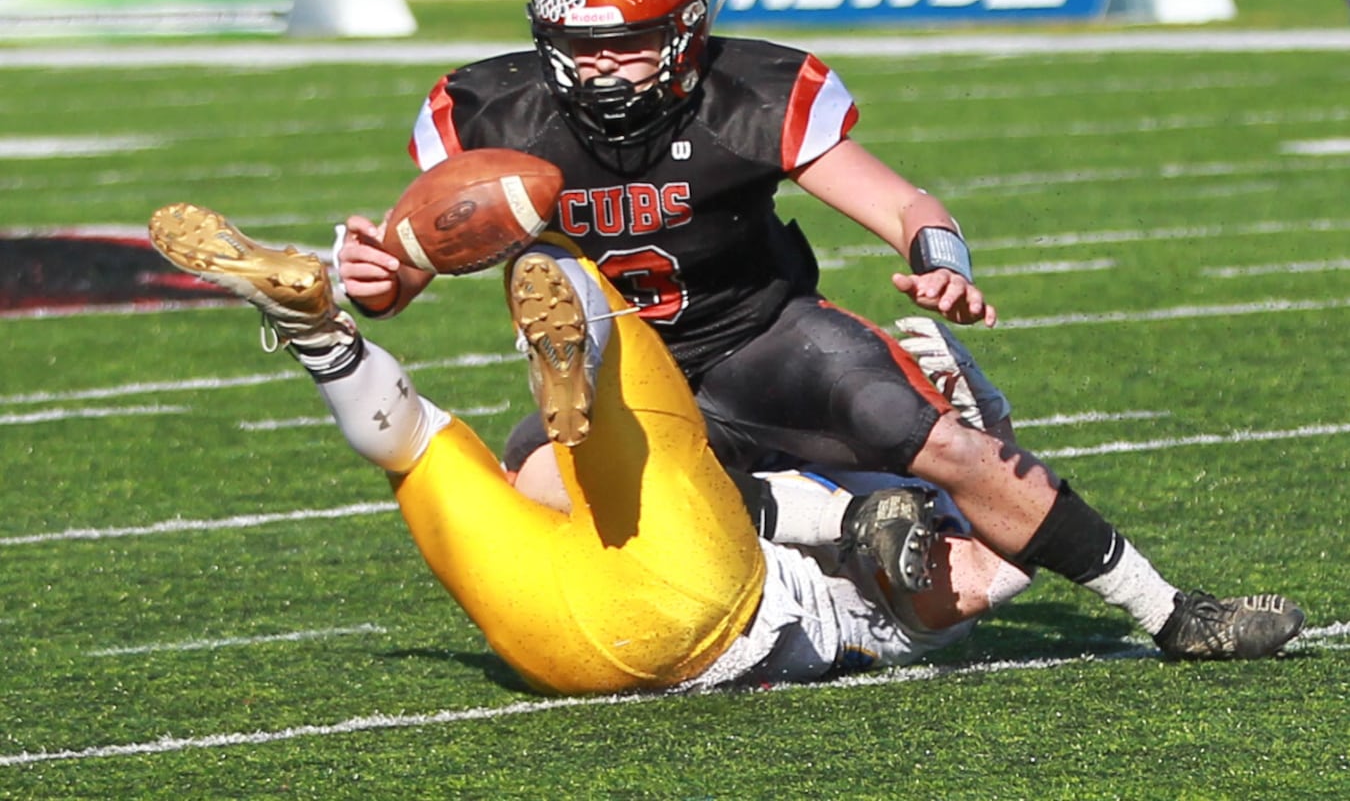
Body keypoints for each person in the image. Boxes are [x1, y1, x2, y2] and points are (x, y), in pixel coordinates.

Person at [336, 0, 1305, 661]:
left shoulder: (749, 95)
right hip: (624, 370)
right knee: (542, 484)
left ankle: (1171, 610)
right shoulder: (488, 109)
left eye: (627, 44)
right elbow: (394, 283)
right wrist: (374, 271)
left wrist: (943, 267)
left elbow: (905, 207)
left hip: (762, 339)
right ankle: (846, 518)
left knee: (937, 440)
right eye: (581, 48)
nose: (604, 73)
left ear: (686, 30)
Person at [146, 202, 1034, 693]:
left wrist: (965, 432)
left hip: (683, 606)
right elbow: (999, 548)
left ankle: (536, 283)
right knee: (418, 449)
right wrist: (976, 417)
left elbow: (993, 564)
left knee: (549, 332)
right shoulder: (917, 548)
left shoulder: (934, 545)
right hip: (580, 649)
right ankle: (322, 339)